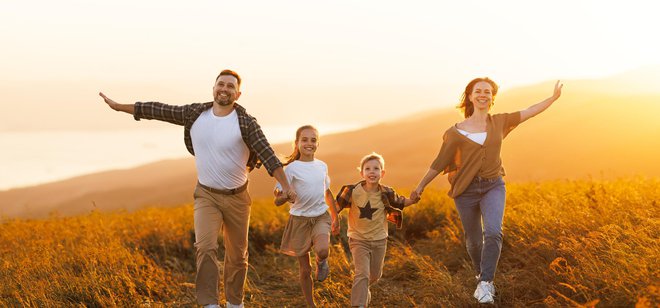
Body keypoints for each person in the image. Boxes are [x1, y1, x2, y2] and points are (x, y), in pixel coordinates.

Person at [98, 69, 297, 308]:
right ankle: (210, 304)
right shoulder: (195, 114)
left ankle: (235, 303)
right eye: (220, 84)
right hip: (206, 195)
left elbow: (267, 154)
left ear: (238, 94)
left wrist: (285, 187)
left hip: (237, 198)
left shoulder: (245, 123)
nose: (224, 89)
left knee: (237, 256)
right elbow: (157, 110)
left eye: (230, 86)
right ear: (213, 88)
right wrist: (119, 107)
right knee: (205, 248)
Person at [411, 78, 563, 304]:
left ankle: (486, 284)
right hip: (465, 191)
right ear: (470, 97)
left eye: (488, 91)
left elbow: (530, 111)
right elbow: (439, 162)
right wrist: (420, 186)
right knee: (474, 241)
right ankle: (479, 274)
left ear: (492, 98)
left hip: (493, 185)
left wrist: (553, 98)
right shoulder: (454, 133)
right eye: (478, 91)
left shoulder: (500, 122)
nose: (483, 94)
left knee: (493, 232)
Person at [336, 152, 418, 308]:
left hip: (379, 239)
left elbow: (401, 202)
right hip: (358, 239)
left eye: (376, 168)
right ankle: (358, 304)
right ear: (362, 173)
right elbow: (335, 207)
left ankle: (363, 288)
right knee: (362, 273)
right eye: (367, 169)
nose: (372, 172)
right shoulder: (352, 191)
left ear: (382, 173)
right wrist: (330, 219)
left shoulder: (386, 192)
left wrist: (412, 200)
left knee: (374, 275)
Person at [273, 125, 340, 307]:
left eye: (313, 140)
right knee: (305, 270)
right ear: (296, 143)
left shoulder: (322, 166)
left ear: (317, 143)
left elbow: (327, 193)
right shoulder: (291, 169)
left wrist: (335, 217)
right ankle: (311, 304)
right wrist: (287, 194)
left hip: (320, 216)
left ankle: (322, 261)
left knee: (323, 250)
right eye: (304, 140)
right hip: (299, 221)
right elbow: (278, 201)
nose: (309, 143)